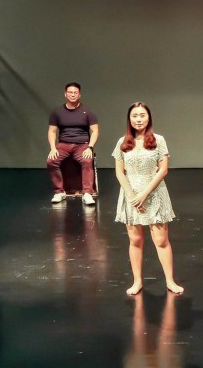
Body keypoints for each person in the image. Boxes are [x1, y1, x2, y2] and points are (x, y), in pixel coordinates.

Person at [113, 102, 183, 296]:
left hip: (154, 194)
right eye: (135, 115)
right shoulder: (122, 142)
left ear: (149, 117)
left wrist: (144, 194)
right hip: (131, 196)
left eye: (142, 115)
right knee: (135, 240)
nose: (139, 119)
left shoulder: (158, 140)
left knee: (161, 240)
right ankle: (137, 281)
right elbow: (119, 172)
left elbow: (163, 169)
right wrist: (132, 195)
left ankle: (170, 280)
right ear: (129, 119)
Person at [47, 82, 99, 205]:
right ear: (65, 94)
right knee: (51, 161)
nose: (73, 95)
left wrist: (90, 147)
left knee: (87, 160)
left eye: (75, 92)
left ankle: (87, 192)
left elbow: (95, 130)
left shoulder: (87, 111)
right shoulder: (57, 112)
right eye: (70, 92)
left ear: (79, 95)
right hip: (64, 144)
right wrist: (53, 148)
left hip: (82, 144)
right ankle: (59, 192)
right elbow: (52, 131)